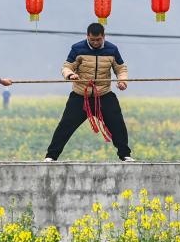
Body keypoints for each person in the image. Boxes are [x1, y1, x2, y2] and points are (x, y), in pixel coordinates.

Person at [44, 23, 132, 162]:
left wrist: (122, 81)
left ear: (103, 36)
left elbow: (121, 69)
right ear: (87, 36)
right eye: (92, 40)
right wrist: (70, 75)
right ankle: (51, 156)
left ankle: (125, 155)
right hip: (81, 96)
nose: (95, 43)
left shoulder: (112, 49)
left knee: (117, 123)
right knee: (65, 125)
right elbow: (66, 67)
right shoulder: (77, 48)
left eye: (98, 39)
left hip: (103, 94)